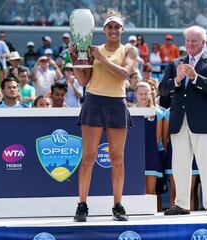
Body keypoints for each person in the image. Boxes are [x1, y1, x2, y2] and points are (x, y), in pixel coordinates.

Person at [71, 9, 137, 222]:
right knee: (88, 158)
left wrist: (100, 58)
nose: (114, 30)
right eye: (110, 26)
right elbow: (83, 81)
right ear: (104, 29)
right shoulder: (93, 50)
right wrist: (75, 61)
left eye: (117, 26)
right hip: (94, 101)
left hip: (117, 103)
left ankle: (118, 205)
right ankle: (82, 205)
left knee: (117, 159)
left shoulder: (128, 50)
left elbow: (124, 74)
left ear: (122, 29)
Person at [159, 25, 207, 216]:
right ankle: (181, 204)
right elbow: (163, 90)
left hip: (203, 122)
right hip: (180, 120)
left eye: (194, 41)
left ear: (203, 43)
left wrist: (195, 77)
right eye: (187, 41)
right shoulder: (175, 63)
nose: (189, 44)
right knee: (179, 165)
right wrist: (177, 80)